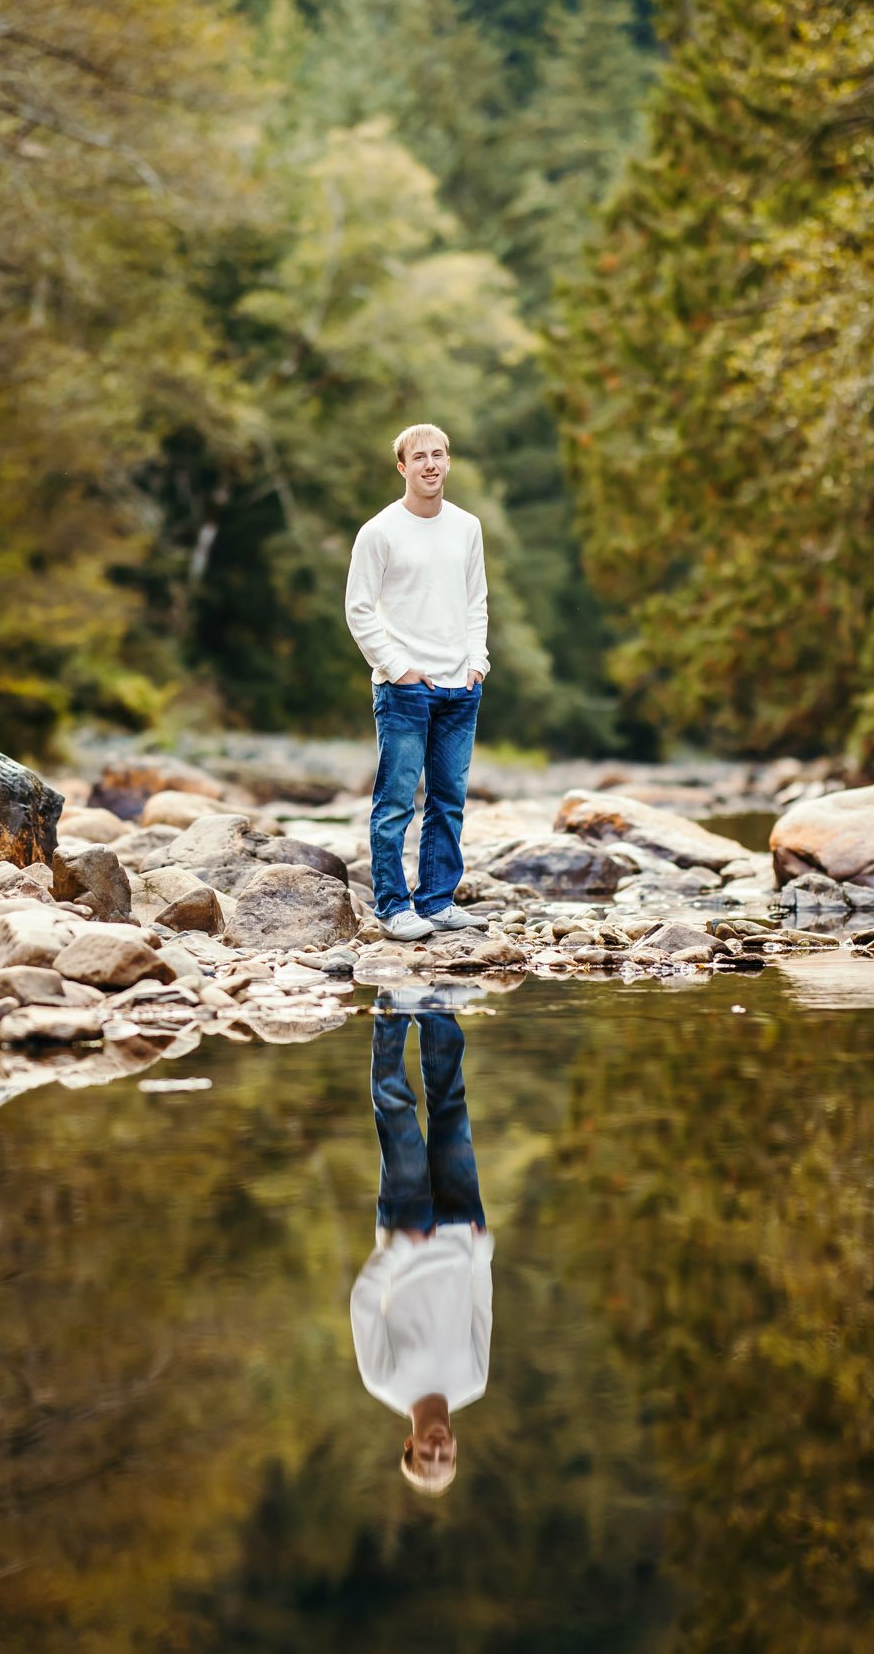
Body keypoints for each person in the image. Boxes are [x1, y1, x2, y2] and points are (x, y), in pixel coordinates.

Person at [344, 423, 493, 942]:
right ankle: (392, 905)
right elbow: (358, 610)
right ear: (403, 468)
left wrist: (478, 663)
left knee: (448, 801)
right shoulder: (380, 531)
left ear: (448, 463)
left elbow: (476, 600)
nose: (430, 464)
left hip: (460, 688)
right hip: (404, 688)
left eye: (439, 455)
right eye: (419, 457)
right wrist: (397, 667)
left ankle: (436, 901)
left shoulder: (467, 526)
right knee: (395, 805)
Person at [349, 1008, 491, 1497]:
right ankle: (436, 1003)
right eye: (444, 1457)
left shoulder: (384, 1384)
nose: (437, 1449)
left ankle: (390, 1008)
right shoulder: (473, 1383)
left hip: (406, 1230)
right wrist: (482, 1252)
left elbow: (363, 1302)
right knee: (451, 1105)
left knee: (396, 1111)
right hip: (460, 1229)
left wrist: (399, 1252)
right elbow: (481, 1306)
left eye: (426, 1456)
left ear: (407, 1445)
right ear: (455, 1448)